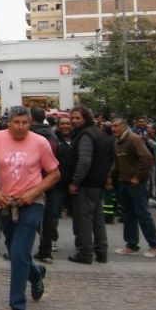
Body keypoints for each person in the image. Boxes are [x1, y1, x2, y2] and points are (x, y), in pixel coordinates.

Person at [0, 106, 60, 310]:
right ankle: (36, 274)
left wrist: (32, 193)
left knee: (20, 253)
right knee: (15, 253)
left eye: (25, 123)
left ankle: (17, 304)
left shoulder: (40, 142)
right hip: (5, 202)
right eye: (16, 122)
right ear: (8, 123)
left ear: (30, 123)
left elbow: (54, 174)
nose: (20, 127)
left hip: (32, 202)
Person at [110, 118, 156, 258]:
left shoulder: (133, 139)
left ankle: (155, 245)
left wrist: (138, 177)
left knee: (143, 214)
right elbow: (118, 163)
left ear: (123, 126)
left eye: (116, 126)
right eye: (112, 126)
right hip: (124, 181)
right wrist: (110, 177)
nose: (113, 129)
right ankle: (131, 245)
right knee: (127, 214)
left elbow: (147, 158)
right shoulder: (117, 141)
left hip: (136, 184)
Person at [67, 106, 111, 265]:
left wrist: (75, 182)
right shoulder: (98, 133)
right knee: (98, 218)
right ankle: (101, 251)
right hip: (97, 182)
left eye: (77, 118)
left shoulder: (86, 135)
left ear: (85, 118)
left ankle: (85, 253)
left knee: (84, 219)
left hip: (86, 183)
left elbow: (84, 161)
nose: (74, 121)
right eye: (72, 118)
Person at [35, 115, 73, 264]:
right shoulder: (55, 140)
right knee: (50, 217)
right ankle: (47, 247)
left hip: (68, 183)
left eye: (67, 123)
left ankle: (48, 246)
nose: (65, 125)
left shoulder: (75, 139)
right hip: (54, 184)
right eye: (62, 123)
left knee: (52, 217)